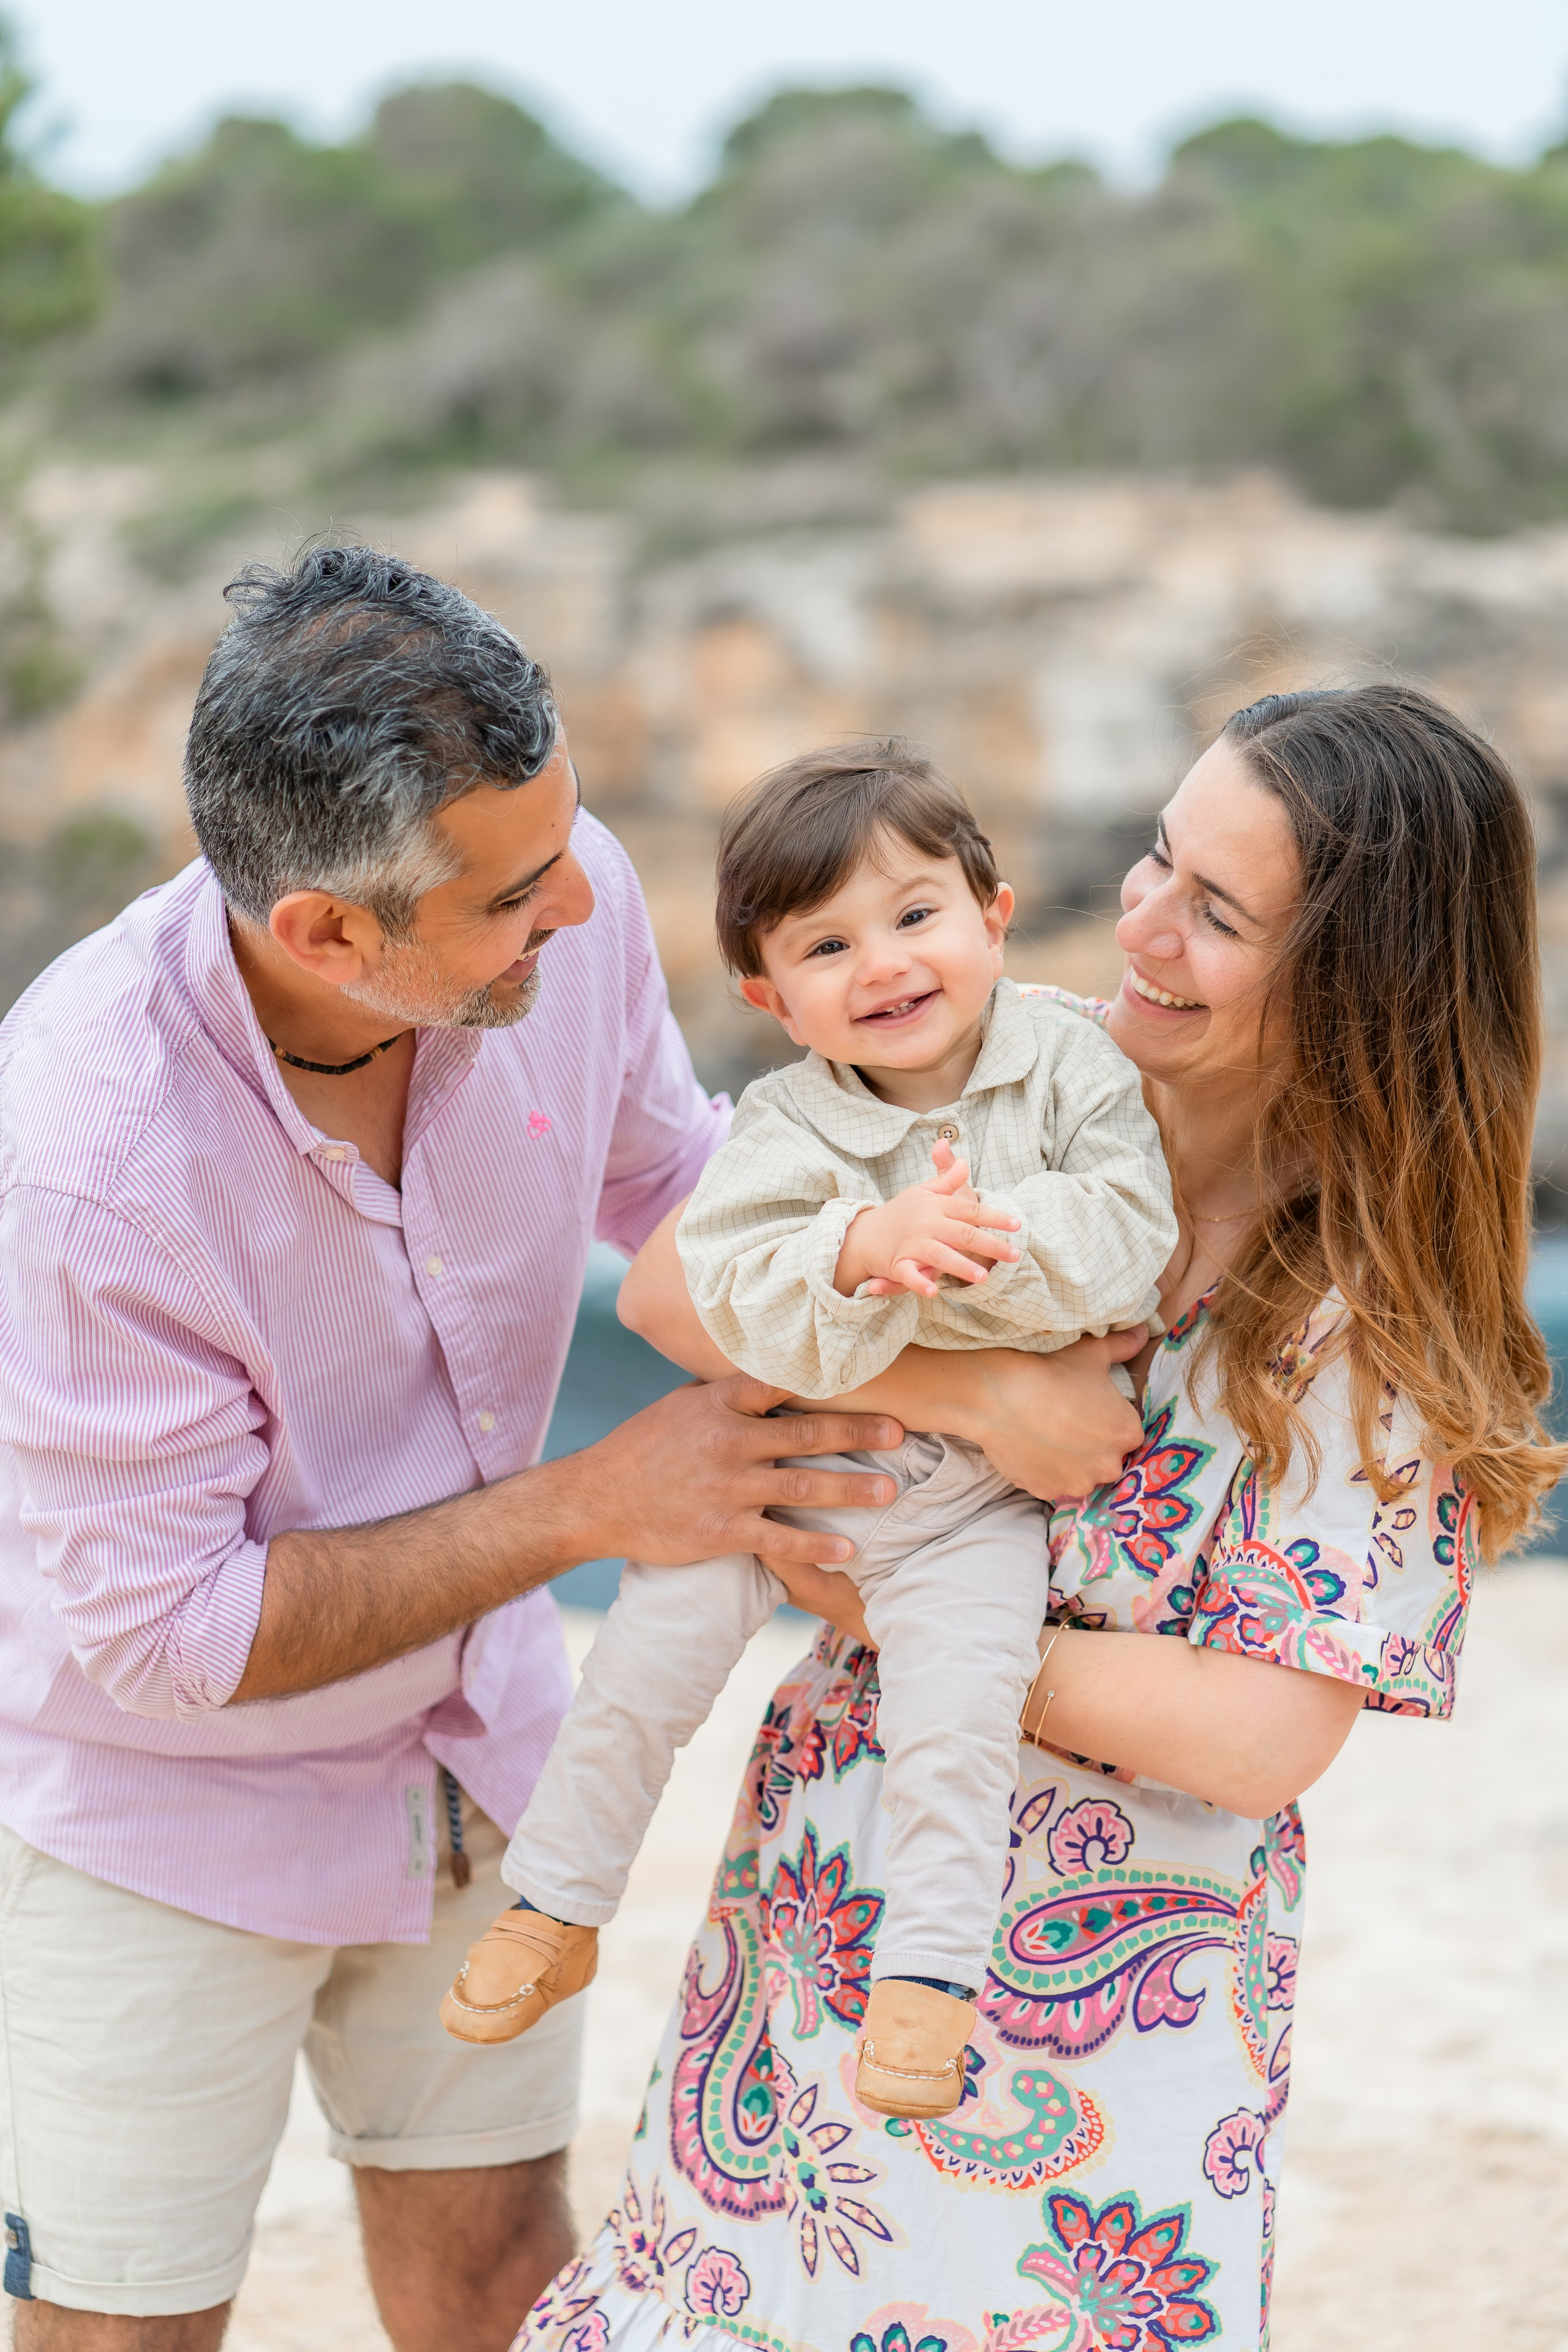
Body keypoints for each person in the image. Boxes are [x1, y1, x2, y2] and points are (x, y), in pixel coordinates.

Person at [0, 544, 986, 2352]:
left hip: (478, 1764)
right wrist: (592, 1508)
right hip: (148, 1825)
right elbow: (173, 1637)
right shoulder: (77, 1156)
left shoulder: (562, 892)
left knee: (504, 2284)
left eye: (569, 849)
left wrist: (912, 1357)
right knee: (124, 2331)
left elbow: (685, 1190)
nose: (585, 913)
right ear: (325, 934)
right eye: (517, 898)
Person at [514, 684, 1566, 2352]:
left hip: (1101, 2034)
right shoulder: (1005, 1063)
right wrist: (970, 1396)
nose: (1141, 923)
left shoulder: (1367, 1313)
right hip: (829, 1906)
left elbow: (1259, 1734)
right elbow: (671, 1286)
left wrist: (885, 1609)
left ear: (1357, 983)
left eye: (1215, 913)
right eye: (1159, 858)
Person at [446, 745, 1174, 2120]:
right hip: (779, 1466)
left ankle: (924, 1987)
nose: (884, 964)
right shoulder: (783, 1126)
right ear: (771, 1000)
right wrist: (855, 1247)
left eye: (914, 916)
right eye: (826, 945)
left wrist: (965, 1248)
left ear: (993, 915)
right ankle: (553, 1905)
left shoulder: (1070, 1063)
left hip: (968, 1507)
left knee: (957, 1712)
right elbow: (726, 1288)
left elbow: (1128, 1241)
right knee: (640, 1668)